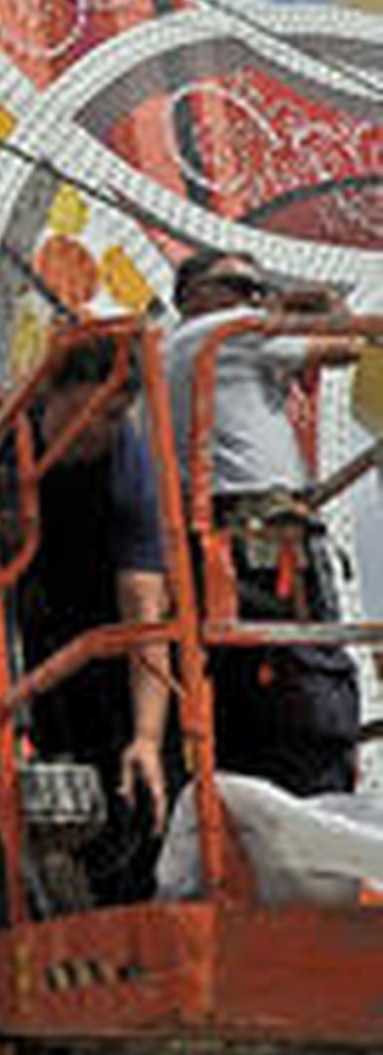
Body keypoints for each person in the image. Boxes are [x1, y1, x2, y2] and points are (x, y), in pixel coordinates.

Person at [167, 248, 361, 798]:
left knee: (244, 682)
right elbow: (346, 345)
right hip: (266, 531)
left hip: (216, 534)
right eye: (237, 284)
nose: (252, 297)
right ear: (195, 295)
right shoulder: (234, 329)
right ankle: (318, 802)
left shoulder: (172, 346)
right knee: (308, 671)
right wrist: (323, 301)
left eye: (258, 287)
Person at [13, 332, 173, 904]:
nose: (94, 432)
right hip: (23, 628)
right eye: (81, 415)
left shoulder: (127, 464)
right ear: (46, 398)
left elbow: (144, 609)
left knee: (136, 791)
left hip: (100, 636)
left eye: (110, 417)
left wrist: (147, 738)